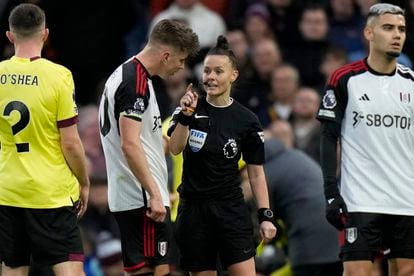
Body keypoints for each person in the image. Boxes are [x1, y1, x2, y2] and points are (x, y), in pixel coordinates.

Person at [317, 3, 414, 275]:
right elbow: (328, 137)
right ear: (368, 33)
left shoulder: (411, 82)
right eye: (388, 28)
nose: (397, 34)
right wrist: (330, 193)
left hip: (406, 199)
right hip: (360, 199)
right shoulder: (345, 79)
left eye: (402, 29)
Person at [168, 35, 277, 275]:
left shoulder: (247, 120)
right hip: (194, 212)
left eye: (218, 71)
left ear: (233, 75)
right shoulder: (188, 109)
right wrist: (186, 116)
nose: (211, 77)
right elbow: (175, 148)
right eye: (207, 71)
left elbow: (256, 173)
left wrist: (265, 216)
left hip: (230, 210)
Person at [98, 19, 199, 276]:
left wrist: (183, 118)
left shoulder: (130, 76)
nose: (181, 66)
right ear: (166, 55)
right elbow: (130, 145)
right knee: (152, 270)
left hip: (135, 194)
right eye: (181, 59)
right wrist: (154, 193)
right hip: (141, 197)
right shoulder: (135, 83)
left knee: (148, 269)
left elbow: (153, 144)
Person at [0, 3, 90, 276]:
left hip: (8, 190)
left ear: (10, 36)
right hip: (50, 193)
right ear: (46, 34)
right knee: (69, 268)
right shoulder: (59, 76)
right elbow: (71, 143)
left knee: (13, 268)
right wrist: (83, 181)